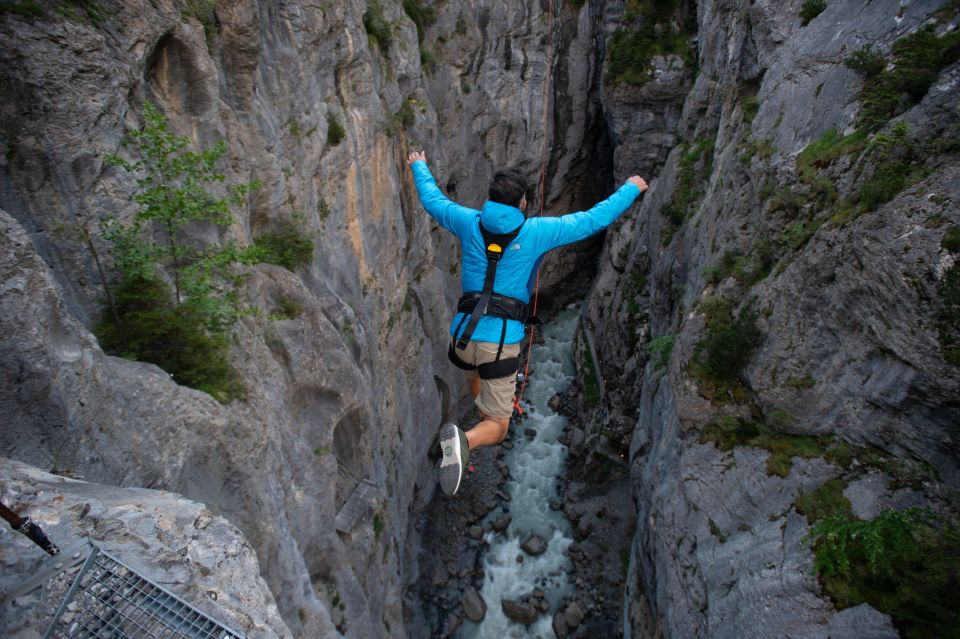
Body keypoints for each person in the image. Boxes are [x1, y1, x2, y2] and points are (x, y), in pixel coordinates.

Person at [408, 150, 647, 495]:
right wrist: (630, 188)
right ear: (521, 203)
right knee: (499, 427)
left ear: (490, 199)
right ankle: (464, 440)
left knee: (481, 385)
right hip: (499, 344)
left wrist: (419, 165)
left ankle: (480, 418)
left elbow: (433, 200)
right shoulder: (537, 231)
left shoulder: (466, 220)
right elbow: (593, 219)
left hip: (462, 339)